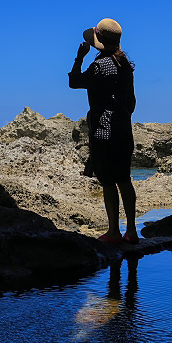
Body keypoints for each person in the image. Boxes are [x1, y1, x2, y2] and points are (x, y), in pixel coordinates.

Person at [68, 18, 139, 245]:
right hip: (123, 128)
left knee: (108, 182)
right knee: (125, 179)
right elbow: (131, 102)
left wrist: (79, 57)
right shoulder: (125, 65)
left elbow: (75, 82)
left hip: (103, 130)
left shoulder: (100, 66)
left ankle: (113, 232)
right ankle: (131, 231)